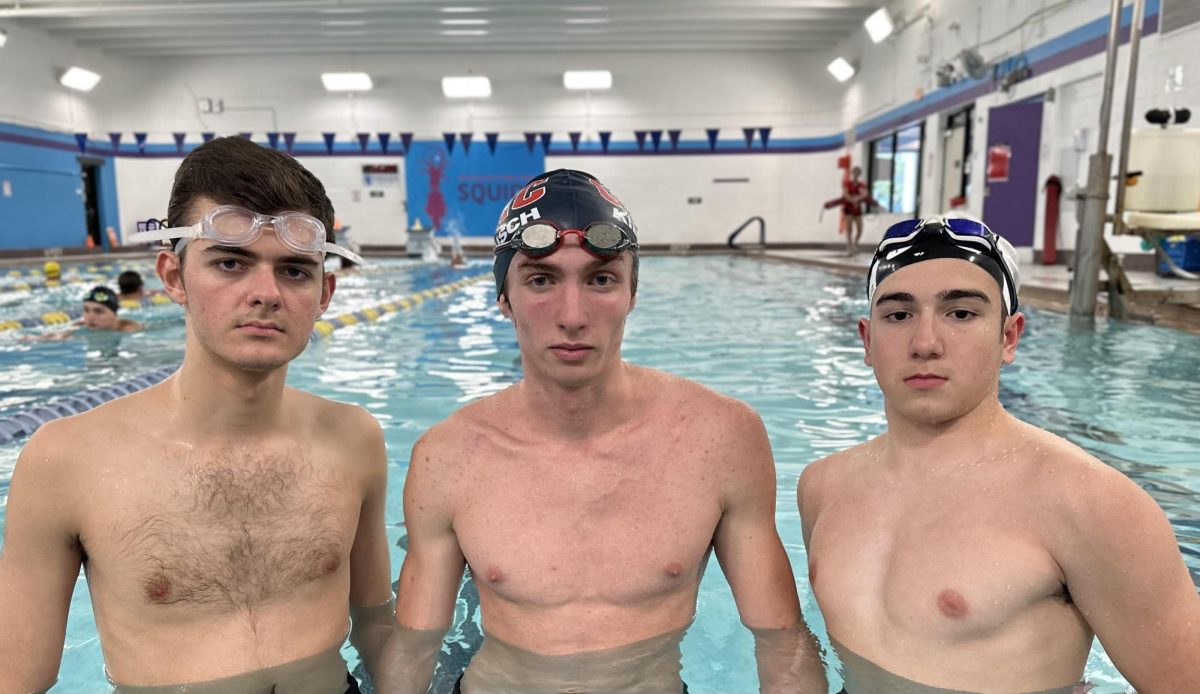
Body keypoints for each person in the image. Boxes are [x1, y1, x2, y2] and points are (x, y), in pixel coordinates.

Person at [379, 169, 827, 694]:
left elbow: (781, 640)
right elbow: (414, 645)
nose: (573, 316)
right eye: (541, 280)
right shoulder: (447, 455)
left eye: (601, 279)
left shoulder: (721, 438)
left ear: (631, 293)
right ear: (505, 299)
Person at [0, 136, 389, 694]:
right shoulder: (66, 459)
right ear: (173, 276)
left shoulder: (355, 438)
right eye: (231, 263)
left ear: (325, 292)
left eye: (295, 271)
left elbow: (376, 622)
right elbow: (16, 679)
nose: (266, 293)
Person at [798, 216, 1200, 693]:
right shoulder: (823, 486)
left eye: (961, 314)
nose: (925, 343)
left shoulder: (1090, 504)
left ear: (1008, 337)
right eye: (899, 315)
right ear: (867, 340)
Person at [841, 166, 870, 256]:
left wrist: (857, 199)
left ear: (859, 174)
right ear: (852, 173)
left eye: (858, 172)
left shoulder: (861, 185)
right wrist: (853, 200)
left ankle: (855, 244)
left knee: (860, 229)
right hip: (849, 208)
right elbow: (845, 194)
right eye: (855, 172)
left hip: (857, 209)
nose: (856, 174)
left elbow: (865, 194)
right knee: (849, 228)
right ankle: (849, 245)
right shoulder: (848, 184)